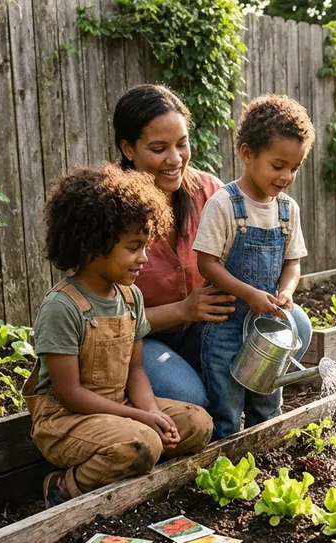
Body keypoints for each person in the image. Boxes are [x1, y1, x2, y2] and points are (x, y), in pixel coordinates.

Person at [23, 164, 213, 507]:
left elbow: (136, 372)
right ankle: (63, 488)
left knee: (197, 423)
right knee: (142, 442)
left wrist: (155, 413)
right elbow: (70, 393)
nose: (143, 258)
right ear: (93, 244)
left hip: (121, 410)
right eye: (133, 247)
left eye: (145, 245)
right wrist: (142, 419)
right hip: (68, 420)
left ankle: (136, 467)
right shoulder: (63, 307)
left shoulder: (130, 297)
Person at [114, 85, 312, 408]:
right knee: (188, 397)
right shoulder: (111, 212)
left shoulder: (209, 192)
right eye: (159, 148)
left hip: (206, 332)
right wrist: (182, 310)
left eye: (181, 144)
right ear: (128, 148)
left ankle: (230, 391)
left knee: (297, 326)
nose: (175, 159)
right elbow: (104, 317)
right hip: (143, 342)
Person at [194, 95, 315, 439]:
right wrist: (249, 294)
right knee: (226, 403)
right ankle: (226, 460)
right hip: (226, 325)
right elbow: (207, 263)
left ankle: (264, 455)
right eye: (278, 166)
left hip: (267, 324)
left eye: (294, 168)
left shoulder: (287, 210)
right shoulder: (224, 205)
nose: (287, 176)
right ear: (247, 154)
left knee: (267, 398)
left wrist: (286, 292)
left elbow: (293, 262)